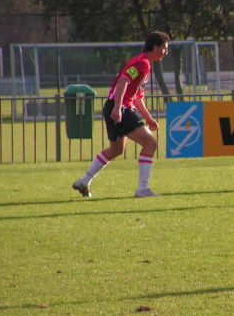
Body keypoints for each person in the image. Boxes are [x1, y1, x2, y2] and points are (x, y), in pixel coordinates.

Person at [72, 31, 170, 198]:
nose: (165, 53)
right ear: (155, 47)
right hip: (120, 108)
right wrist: (118, 108)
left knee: (116, 149)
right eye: (164, 48)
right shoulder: (143, 63)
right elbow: (123, 81)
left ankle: (84, 181)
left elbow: (137, 97)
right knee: (150, 143)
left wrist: (148, 118)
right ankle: (143, 189)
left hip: (115, 106)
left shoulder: (144, 64)